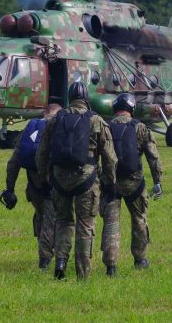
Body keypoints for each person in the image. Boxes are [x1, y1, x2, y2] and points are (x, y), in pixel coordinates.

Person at [36, 82, 117, 280]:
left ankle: (60, 263)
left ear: (70, 98)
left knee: (63, 221)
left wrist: (44, 177)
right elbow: (110, 157)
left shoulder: (55, 119)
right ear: (86, 99)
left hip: (59, 181)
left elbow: (42, 153)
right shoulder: (96, 120)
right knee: (85, 225)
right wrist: (110, 181)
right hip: (86, 180)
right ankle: (83, 273)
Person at [100, 93, 163, 277]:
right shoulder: (140, 127)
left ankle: (111, 266)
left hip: (110, 184)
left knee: (111, 224)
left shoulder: (105, 127)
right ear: (132, 108)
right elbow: (153, 157)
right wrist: (158, 181)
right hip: (134, 183)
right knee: (139, 220)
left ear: (115, 108)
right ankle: (140, 259)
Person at [0, 103, 61, 270]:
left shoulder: (31, 128)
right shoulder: (58, 128)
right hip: (52, 184)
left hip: (34, 187)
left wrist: (10, 189)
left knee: (41, 215)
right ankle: (45, 261)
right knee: (50, 220)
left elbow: (14, 162)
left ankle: (44, 251)